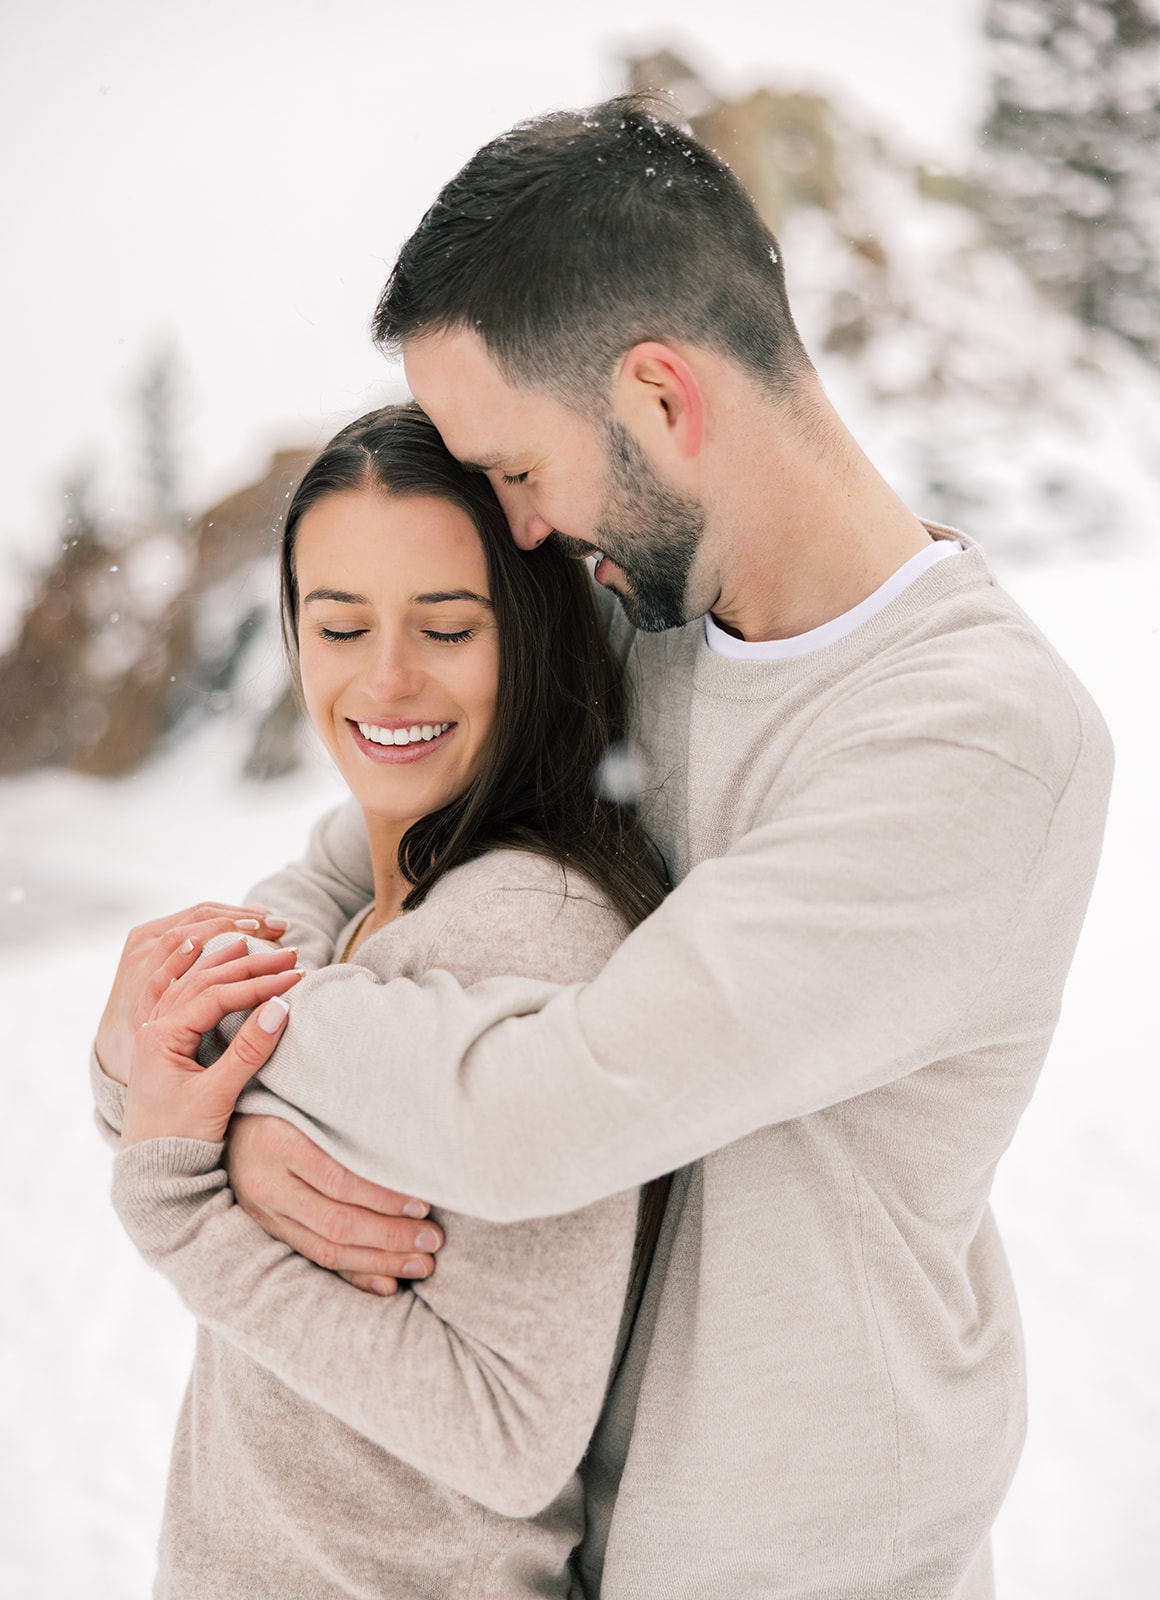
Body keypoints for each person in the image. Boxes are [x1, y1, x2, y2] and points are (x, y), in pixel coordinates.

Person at [98, 97, 1113, 1598]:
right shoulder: (650, 639)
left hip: (809, 1562)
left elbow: (549, 1113)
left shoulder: (970, 741)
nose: (514, 532)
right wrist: (172, 1042)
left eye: (515, 467)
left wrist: (228, 1048)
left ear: (658, 397)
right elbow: (354, 862)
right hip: (587, 1548)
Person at [92, 403, 670, 1598]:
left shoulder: (525, 930)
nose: (385, 678)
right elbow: (277, 951)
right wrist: (171, 1085)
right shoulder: (379, 883)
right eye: (339, 624)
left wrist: (189, 1214)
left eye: (446, 627)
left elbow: (509, 1432)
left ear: (530, 633)